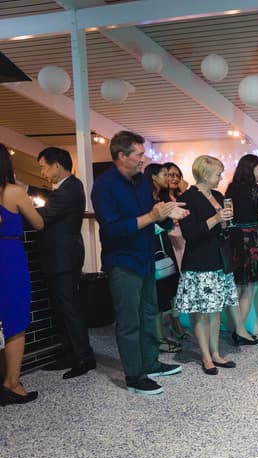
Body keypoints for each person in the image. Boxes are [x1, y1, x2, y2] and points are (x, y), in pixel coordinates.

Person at [91, 131, 187, 395]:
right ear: (122, 156)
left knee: (148, 314)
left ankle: (151, 363)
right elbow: (112, 228)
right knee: (129, 320)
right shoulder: (104, 186)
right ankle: (134, 376)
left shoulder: (142, 182)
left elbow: (152, 215)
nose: (144, 159)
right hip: (123, 261)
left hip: (145, 258)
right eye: (139, 154)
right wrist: (152, 216)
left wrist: (169, 216)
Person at [35, 147, 96, 379]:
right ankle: (71, 354)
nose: (42, 172)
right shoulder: (68, 186)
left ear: (56, 166)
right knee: (62, 308)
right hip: (61, 257)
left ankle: (83, 357)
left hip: (64, 257)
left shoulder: (69, 188)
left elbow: (44, 216)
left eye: (43, 167)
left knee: (70, 308)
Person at [175, 155, 238, 374]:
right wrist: (216, 219)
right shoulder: (187, 198)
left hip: (219, 260)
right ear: (204, 174)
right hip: (199, 262)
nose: (221, 177)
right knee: (201, 313)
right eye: (218, 174)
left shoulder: (218, 196)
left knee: (215, 311)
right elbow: (190, 234)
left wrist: (226, 222)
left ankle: (216, 353)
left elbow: (224, 227)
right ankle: (205, 356)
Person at [0, 144, 44, 404]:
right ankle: (12, 383)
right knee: (15, 320)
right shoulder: (13, 191)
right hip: (9, 257)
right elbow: (38, 222)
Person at [224, 154, 258, 346]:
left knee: (238, 287)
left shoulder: (231, 188)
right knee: (248, 289)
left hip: (233, 240)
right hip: (250, 240)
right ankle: (240, 331)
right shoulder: (254, 189)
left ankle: (238, 330)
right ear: (251, 169)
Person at [144, 163, 182, 354]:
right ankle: (157, 339)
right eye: (165, 174)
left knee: (167, 291)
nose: (168, 178)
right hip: (152, 247)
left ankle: (162, 335)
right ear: (153, 177)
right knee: (157, 294)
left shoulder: (163, 197)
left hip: (164, 246)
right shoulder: (145, 197)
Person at [163, 161, 188, 339]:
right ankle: (174, 319)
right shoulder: (161, 198)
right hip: (170, 242)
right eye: (170, 175)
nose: (174, 178)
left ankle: (175, 317)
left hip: (184, 241)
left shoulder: (181, 196)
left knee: (182, 283)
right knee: (174, 282)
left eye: (177, 175)